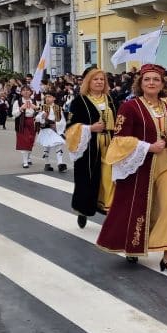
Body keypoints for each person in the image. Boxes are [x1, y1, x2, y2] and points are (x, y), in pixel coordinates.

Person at [96, 64, 167, 269]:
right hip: (140, 165)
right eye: (147, 79)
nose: (152, 83)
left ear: (162, 83)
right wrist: (147, 147)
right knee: (135, 207)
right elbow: (120, 140)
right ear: (141, 83)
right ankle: (133, 245)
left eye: (156, 79)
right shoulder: (130, 107)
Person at [65, 68, 116, 229]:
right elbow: (70, 127)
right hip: (88, 146)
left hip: (110, 144)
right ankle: (83, 210)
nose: (100, 82)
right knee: (87, 179)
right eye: (96, 79)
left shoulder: (111, 99)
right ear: (88, 82)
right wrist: (89, 129)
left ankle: (109, 210)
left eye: (102, 79)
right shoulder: (79, 102)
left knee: (110, 178)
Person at [36, 92, 68, 172]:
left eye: (49, 97)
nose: (47, 98)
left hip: (55, 129)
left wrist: (56, 125)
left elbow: (62, 120)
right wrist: (42, 118)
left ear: (54, 98)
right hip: (46, 129)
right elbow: (37, 118)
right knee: (46, 147)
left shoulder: (58, 108)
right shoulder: (42, 107)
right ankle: (47, 164)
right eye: (46, 97)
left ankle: (60, 164)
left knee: (58, 144)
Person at [12, 85, 40, 168]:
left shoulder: (34, 101)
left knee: (31, 140)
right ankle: (25, 162)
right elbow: (14, 114)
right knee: (24, 141)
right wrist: (21, 108)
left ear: (31, 92)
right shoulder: (18, 101)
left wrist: (36, 108)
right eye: (23, 90)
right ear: (21, 92)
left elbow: (41, 111)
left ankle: (28, 157)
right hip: (22, 123)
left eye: (27, 90)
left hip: (32, 121)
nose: (26, 92)